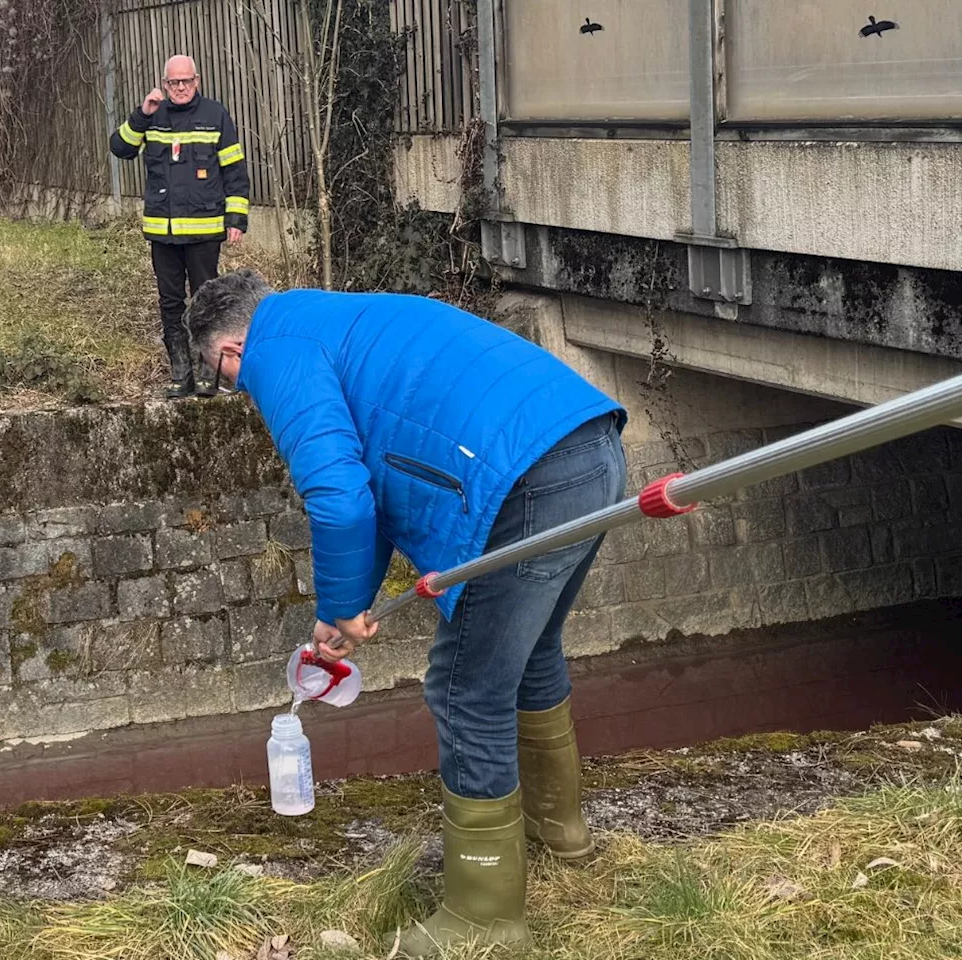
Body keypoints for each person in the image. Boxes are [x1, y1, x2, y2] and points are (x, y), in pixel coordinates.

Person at [183, 269, 628, 956]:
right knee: (532, 650)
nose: (240, 390)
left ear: (230, 352)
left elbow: (339, 497)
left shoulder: (276, 354)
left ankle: (485, 918)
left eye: (226, 377)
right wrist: (347, 609)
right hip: (588, 445)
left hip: (525, 478)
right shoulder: (338, 320)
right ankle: (556, 833)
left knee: (463, 687)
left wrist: (336, 605)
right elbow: (378, 477)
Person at [109, 55, 250, 399]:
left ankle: (208, 374)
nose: (181, 88)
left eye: (186, 81)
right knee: (170, 302)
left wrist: (236, 218)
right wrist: (141, 114)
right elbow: (120, 147)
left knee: (208, 301)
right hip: (164, 233)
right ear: (165, 83)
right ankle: (180, 374)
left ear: (197, 81)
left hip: (204, 231)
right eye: (174, 82)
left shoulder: (215, 115)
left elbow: (234, 170)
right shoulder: (152, 115)